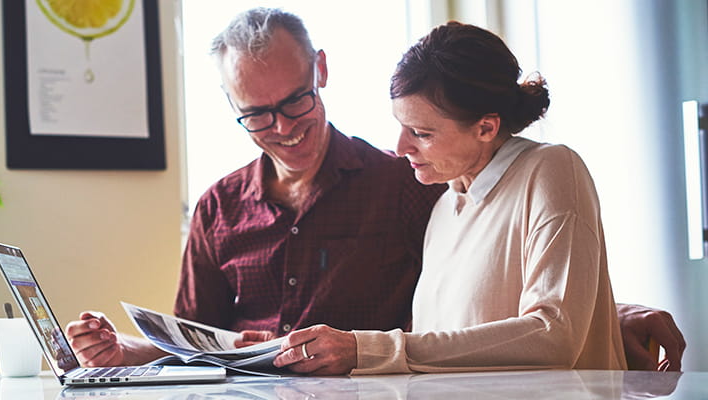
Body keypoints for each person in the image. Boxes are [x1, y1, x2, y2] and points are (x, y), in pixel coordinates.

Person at [65, 8, 685, 372]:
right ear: (231, 108)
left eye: (295, 101)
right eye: (256, 114)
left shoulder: (415, 187)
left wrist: (607, 311)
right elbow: (193, 338)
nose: (282, 127)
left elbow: (533, 308)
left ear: (322, 73)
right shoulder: (218, 208)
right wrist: (129, 349)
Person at [270, 20, 660, 375]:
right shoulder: (445, 205)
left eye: (421, 133)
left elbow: (553, 335)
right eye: (401, 127)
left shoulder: (551, 169)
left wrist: (367, 349)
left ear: (486, 127)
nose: (401, 146)